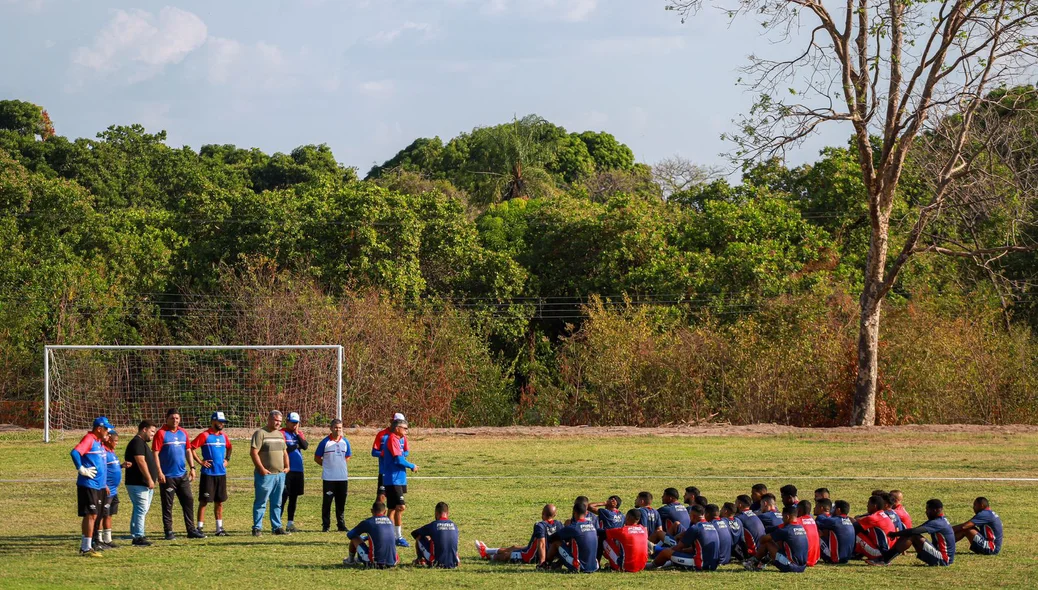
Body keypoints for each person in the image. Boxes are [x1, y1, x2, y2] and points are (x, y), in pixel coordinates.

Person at [153, 409, 203, 540]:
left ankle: (191, 530)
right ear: (166, 419)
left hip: (182, 475)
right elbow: (155, 453)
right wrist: (159, 471)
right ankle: (168, 531)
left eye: (177, 418)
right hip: (168, 476)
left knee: (188, 501)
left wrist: (192, 467)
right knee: (168, 505)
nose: (174, 420)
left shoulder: (183, 432)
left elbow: (188, 450)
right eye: (172, 418)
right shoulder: (161, 433)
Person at [867, 499, 955, 567]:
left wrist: (895, 534)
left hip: (943, 560)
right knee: (912, 535)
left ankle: (884, 560)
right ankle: (885, 558)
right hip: (944, 557)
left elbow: (914, 531)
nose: (926, 512)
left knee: (912, 536)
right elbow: (915, 530)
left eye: (928, 509)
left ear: (935, 510)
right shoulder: (941, 520)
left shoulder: (937, 523)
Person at [70, 416, 112, 557]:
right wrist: (81, 469)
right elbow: (75, 452)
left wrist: (104, 484)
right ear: (99, 429)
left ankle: (87, 545)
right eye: (106, 429)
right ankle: (86, 548)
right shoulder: (89, 439)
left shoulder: (99, 442)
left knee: (94, 515)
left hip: (98, 486)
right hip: (89, 484)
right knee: (91, 514)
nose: (108, 431)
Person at [378, 418, 418, 547]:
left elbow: (402, 454)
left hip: (398, 478)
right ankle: (398, 536)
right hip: (394, 479)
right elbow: (399, 460)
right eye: (405, 428)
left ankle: (389, 536)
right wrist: (412, 465)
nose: (407, 431)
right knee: (401, 507)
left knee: (392, 509)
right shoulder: (393, 439)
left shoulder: (400, 439)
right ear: (397, 428)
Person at [190, 411, 231, 536]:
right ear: (213, 421)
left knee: (219, 502)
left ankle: (219, 529)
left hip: (221, 474)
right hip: (208, 474)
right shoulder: (204, 435)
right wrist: (200, 462)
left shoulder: (224, 437)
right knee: (204, 501)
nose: (222, 424)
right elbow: (191, 448)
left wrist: (227, 459)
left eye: (223, 422)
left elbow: (230, 447)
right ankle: (199, 528)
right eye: (219, 422)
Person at [475, 504, 559, 565]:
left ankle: (489, 556)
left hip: (530, 555)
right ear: (555, 515)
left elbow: (541, 544)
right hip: (533, 550)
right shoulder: (558, 524)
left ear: (542, 513)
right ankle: (486, 550)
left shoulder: (540, 525)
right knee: (513, 547)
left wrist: (542, 562)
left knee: (507, 555)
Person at [250, 410, 290, 536]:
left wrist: (287, 466)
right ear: (269, 419)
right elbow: (254, 452)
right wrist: (261, 468)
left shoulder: (280, 434)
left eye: (280, 421)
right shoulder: (260, 433)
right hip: (265, 475)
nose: (278, 423)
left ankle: (277, 527)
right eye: (276, 420)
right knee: (261, 502)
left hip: (280, 475)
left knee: (277, 503)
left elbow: (284, 452)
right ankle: (257, 528)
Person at [651, 504, 720, 571]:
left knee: (666, 552)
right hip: (713, 565)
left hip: (700, 564)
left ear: (693, 516)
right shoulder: (711, 526)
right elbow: (697, 548)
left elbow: (678, 547)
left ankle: (650, 565)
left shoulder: (695, 528)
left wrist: (665, 551)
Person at [744, 506, 809, 573]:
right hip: (803, 567)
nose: (782, 520)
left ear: (787, 517)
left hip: (791, 567)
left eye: (783, 517)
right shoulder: (801, 528)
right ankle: (763, 561)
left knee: (767, 543)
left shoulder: (786, 530)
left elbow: (762, 540)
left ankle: (752, 562)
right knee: (780, 542)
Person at [124, 420, 158, 547]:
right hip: (138, 483)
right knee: (141, 508)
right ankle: (138, 536)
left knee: (141, 508)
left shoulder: (142, 443)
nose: (153, 435)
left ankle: (135, 533)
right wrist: (149, 479)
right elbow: (141, 462)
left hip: (142, 484)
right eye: (152, 431)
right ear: (144, 429)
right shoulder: (137, 442)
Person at [314, 419, 352, 532]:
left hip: (342, 478)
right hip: (329, 478)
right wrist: (327, 465)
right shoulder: (325, 442)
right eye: (336, 427)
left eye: (340, 427)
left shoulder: (345, 442)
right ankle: (326, 525)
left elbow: (348, 456)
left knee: (341, 503)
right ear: (331, 428)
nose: (338, 430)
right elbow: (316, 458)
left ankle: (341, 525)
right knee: (327, 503)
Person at [545, 502, 599, 573]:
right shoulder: (591, 525)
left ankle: (546, 564)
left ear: (574, 512)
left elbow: (553, 537)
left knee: (556, 543)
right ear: (586, 513)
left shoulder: (574, 527)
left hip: (580, 567)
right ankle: (557, 564)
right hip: (594, 566)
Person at [98, 430, 129, 549]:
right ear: (109, 440)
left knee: (109, 514)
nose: (116, 443)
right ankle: (99, 539)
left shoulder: (112, 452)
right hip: (106, 490)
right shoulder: (103, 452)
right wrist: (104, 484)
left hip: (113, 490)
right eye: (115, 441)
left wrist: (121, 466)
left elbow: (112, 467)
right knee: (102, 515)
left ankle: (108, 540)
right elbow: (101, 470)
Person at [345, 501, 398, 568]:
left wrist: (363, 538)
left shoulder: (368, 522)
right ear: (385, 512)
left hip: (375, 563)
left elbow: (350, 534)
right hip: (394, 561)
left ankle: (350, 560)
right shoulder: (390, 521)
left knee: (355, 538)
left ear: (372, 511)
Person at [280, 411, 308, 532]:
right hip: (287, 470)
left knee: (294, 497)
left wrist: (297, 435)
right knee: (283, 496)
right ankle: (277, 522)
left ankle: (290, 523)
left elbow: (305, 446)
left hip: (298, 469)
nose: (294, 425)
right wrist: (296, 446)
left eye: (296, 423)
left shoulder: (299, 434)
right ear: (287, 422)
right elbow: (285, 449)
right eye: (292, 423)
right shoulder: (282, 433)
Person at [372, 412, 408, 502]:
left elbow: (406, 451)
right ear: (392, 421)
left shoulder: (403, 437)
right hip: (384, 471)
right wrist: (384, 454)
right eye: (397, 421)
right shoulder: (382, 434)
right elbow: (374, 452)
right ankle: (378, 515)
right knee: (381, 497)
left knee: (397, 502)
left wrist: (401, 455)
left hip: (397, 473)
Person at [411, 502, 460, 568]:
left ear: (436, 513)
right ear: (447, 513)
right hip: (454, 563)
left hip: (437, 563)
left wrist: (429, 538)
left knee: (419, 538)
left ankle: (420, 560)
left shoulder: (433, 525)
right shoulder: (454, 525)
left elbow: (415, 533)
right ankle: (454, 560)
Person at [853, 494, 896, 559]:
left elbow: (853, 527)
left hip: (880, 553)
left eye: (869, 504)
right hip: (890, 551)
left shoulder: (873, 518)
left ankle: (851, 553)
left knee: (856, 534)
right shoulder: (884, 515)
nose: (867, 506)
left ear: (874, 506)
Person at [815, 499, 856, 564]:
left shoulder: (835, 521)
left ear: (838, 510)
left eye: (834, 508)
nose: (832, 511)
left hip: (835, 558)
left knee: (815, 535)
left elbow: (819, 520)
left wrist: (823, 513)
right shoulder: (849, 521)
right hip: (846, 558)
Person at [795, 499, 820, 566]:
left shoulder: (798, 521)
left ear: (799, 510)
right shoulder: (812, 521)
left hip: (804, 559)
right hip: (815, 559)